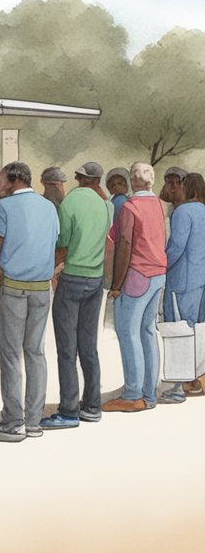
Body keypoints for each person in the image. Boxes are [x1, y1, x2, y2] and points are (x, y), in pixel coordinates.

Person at [0, 162, 60, 442]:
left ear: (15, 179)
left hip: (14, 287)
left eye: (3, 179)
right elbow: (52, 243)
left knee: (10, 354)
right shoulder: (48, 207)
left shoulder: (4, 208)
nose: (0, 184)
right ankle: (33, 420)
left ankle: (13, 420)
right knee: (36, 352)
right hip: (42, 289)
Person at [41, 163, 115, 429]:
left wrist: (52, 272)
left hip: (71, 277)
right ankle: (92, 405)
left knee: (66, 349)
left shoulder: (70, 202)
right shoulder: (106, 206)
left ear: (80, 179)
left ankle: (69, 410)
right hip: (95, 280)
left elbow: (63, 245)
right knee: (89, 345)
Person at [106, 162, 168, 413]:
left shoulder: (130, 208)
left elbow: (125, 244)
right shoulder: (158, 205)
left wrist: (116, 285)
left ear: (133, 180)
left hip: (137, 275)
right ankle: (149, 391)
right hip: (158, 274)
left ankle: (133, 393)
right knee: (147, 331)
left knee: (127, 332)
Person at [163, 172, 205, 401]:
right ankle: (197, 380)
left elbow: (176, 247)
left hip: (182, 280)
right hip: (202, 279)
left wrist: (161, 266)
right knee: (199, 330)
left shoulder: (182, 212)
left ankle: (179, 387)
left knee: (179, 330)